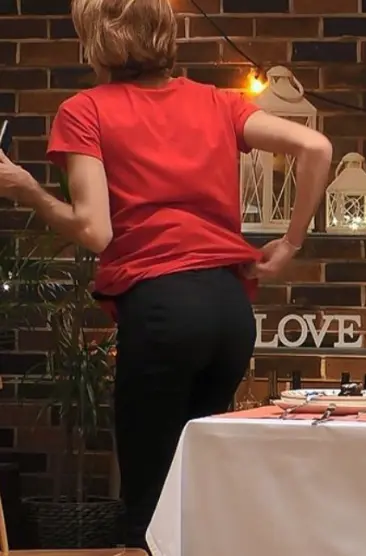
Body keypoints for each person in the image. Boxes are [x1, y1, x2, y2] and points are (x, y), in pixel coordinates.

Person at [0, 0, 333, 548]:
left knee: (148, 503)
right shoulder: (217, 102)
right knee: (194, 487)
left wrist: (27, 189)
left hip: (163, 307)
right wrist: (291, 243)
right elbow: (315, 145)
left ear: (96, 40)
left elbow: (94, 231)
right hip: (230, 310)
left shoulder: (86, 110)